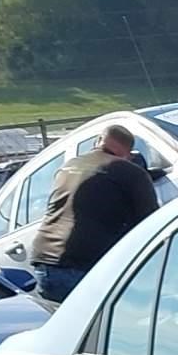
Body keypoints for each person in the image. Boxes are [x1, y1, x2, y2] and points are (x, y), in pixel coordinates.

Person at [29, 125, 157, 301]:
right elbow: (151, 223)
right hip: (84, 265)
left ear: (97, 142)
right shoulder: (132, 173)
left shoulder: (68, 165)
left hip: (44, 261)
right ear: (128, 153)